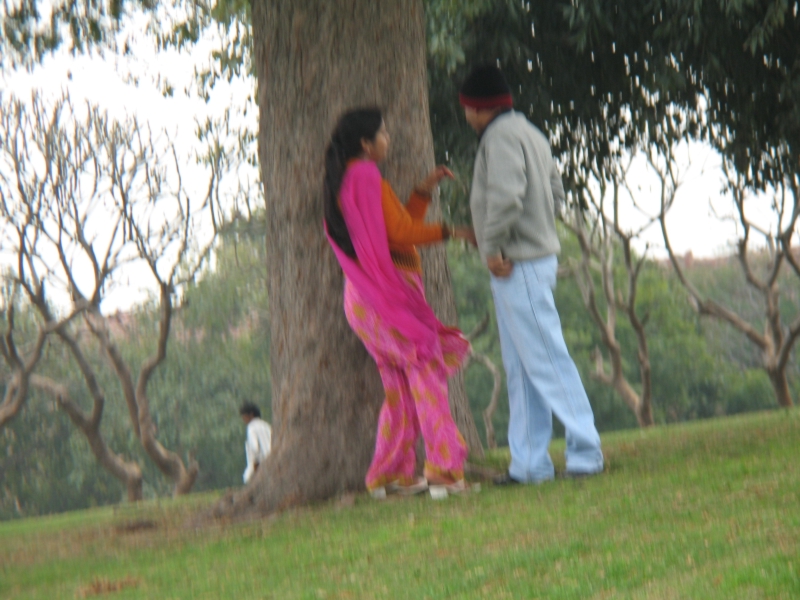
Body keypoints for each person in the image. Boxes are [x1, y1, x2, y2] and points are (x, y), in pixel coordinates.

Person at [459, 64, 604, 484]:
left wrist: (493, 246)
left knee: (545, 359)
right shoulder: (531, 132)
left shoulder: (499, 137)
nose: (466, 116)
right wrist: (538, 228)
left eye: (467, 108)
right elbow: (556, 192)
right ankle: (528, 465)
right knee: (521, 367)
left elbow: (506, 195)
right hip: (530, 258)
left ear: (477, 107)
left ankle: (586, 450)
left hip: (516, 262)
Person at [323, 108, 476, 497]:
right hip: (386, 297)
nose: (387, 139)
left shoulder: (346, 181)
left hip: (363, 300)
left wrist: (423, 191)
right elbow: (404, 231)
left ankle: (390, 474)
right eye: (383, 134)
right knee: (425, 371)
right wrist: (454, 231)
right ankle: (443, 468)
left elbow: (397, 229)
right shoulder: (367, 175)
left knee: (399, 386)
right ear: (365, 143)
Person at [240, 402, 272, 484]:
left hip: (260, 461)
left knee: (247, 479)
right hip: (273, 457)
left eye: (244, 416)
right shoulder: (266, 425)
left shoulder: (251, 427)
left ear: (251, 414)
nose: (243, 419)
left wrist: (255, 464)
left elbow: (255, 447)